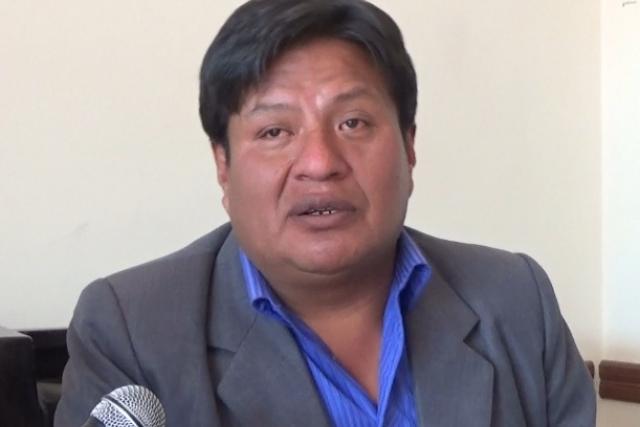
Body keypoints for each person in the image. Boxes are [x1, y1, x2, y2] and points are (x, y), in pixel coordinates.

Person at [55, 0, 596, 426]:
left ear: (409, 146)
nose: (319, 163)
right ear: (223, 165)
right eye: (274, 131)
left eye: (353, 123)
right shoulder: (131, 330)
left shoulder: (515, 300)